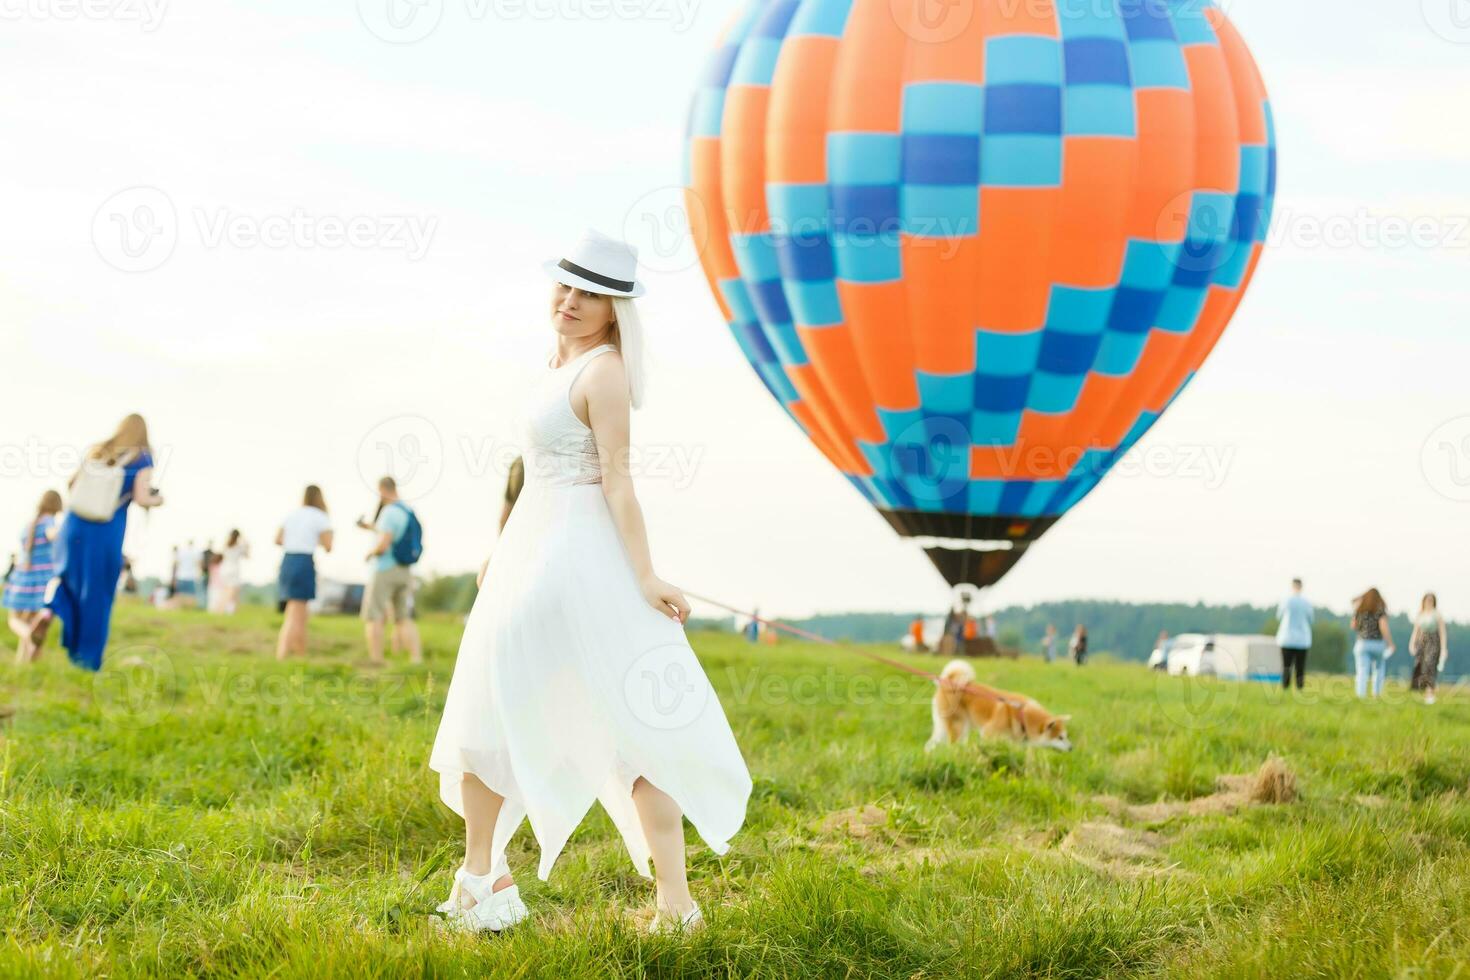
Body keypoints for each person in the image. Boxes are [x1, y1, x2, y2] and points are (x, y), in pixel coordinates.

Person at [428, 229, 751, 935]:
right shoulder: (556, 364)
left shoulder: (603, 373)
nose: (571, 301)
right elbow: (533, 477)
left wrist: (644, 574)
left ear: (615, 312)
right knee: (491, 706)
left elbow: (618, 479)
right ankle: (484, 877)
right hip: (531, 549)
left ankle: (672, 902)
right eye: (566, 286)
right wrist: (501, 546)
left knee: (627, 723)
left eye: (591, 295)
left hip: (574, 559)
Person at [46, 414, 163, 671]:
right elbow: (142, 497)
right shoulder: (142, 457)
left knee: (70, 585)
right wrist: (159, 499)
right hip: (105, 530)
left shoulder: (99, 449)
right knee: (97, 596)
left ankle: (48, 613)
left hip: (74, 526)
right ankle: (87, 661)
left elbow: (71, 483)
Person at [358, 476, 423, 666]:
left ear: (383, 489)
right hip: (405, 570)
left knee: (374, 616)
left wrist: (370, 553)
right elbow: (388, 531)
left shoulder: (388, 512)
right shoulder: (407, 510)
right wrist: (369, 527)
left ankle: (377, 660)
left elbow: (384, 544)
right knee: (403, 618)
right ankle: (416, 659)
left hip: (385, 569)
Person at [275, 485, 333, 660]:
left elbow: (278, 539)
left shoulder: (292, 514)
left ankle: (301, 654)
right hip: (303, 561)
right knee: (295, 611)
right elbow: (329, 546)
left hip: (287, 560)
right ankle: (282, 654)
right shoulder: (320, 517)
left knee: (300, 613)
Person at [5, 490, 63, 663]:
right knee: (26, 623)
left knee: (16, 619)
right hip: (42, 578)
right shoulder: (49, 522)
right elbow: (53, 534)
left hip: (23, 576)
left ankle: (22, 664)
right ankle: (30, 638)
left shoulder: (30, 524)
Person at [1351, 588, 1395, 699]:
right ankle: (1376, 694)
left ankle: (1361, 695)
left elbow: (1353, 626)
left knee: (1362, 670)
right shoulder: (1380, 610)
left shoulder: (1360, 610)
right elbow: (1383, 627)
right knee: (1379, 669)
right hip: (1377, 644)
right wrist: (1390, 643)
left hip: (1362, 643)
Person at [1409, 592, 1448, 705]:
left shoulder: (1437, 614)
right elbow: (1416, 631)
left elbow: (1442, 632)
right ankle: (1425, 690)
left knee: (1430, 665)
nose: (1429, 602)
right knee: (1421, 667)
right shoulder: (1420, 614)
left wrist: (1444, 648)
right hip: (1422, 644)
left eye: (1431, 600)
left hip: (1434, 643)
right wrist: (1412, 644)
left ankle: (1430, 693)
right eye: (1427, 600)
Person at [1275, 577, 1314, 690]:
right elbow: (1311, 619)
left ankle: (1285, 686)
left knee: (1286, 666)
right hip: (1302, 639)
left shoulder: (1286, 600)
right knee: (1300, 666)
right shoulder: (1306, 603)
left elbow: (1279, 616)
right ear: (1301, 587)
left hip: (1287, 638)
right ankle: (1299, 688)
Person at [209, 530, 250, 614]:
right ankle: (220, 610)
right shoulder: (239, 547)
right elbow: (247, 555)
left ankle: (231, 611)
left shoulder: (226, 545)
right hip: (233, 570)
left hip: (224, 569)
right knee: (230, 592)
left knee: (231, 592)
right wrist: (244, 540)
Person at [171, 539, 203, 609]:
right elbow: (199, 565)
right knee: (191, 596)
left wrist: (174, 578)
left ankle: (179, 608)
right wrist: (199, 575)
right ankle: (188, 609)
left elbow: (176, 565)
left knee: (179, 596)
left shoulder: (181, 552)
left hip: (181, 576)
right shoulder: (197, 552)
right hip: (191, 577)